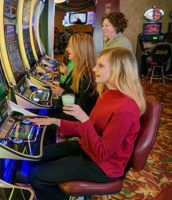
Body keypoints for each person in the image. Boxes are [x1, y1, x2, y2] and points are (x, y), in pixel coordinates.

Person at [28, 48, 146, 200]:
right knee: (36, 155)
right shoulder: (108, 94)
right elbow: (86, 128)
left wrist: (84, 119)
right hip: (87, 148)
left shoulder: (125, 109)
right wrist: (55, 121)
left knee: (36, 177)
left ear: (118, 70)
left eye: (101, 66)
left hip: (104, 166)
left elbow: (103, 151)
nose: (94, 68)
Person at [46, 33, 97, 116]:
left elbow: (83, 108)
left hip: (75, 119)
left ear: (80, 49)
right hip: (68, 110)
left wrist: (62, 93)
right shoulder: (78, 69)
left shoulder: (85, 76)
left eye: (70, 46)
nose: (67, 49)